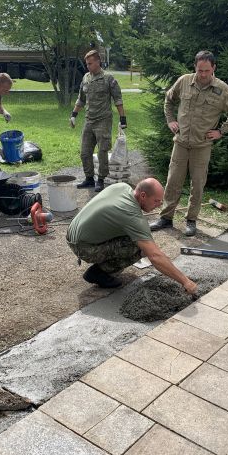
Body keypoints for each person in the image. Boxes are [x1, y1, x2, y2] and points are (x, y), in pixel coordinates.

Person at [150, 50, 228, 237]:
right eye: (200, 70)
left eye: (207, 70)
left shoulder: (223, 90)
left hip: (202, 146)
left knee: (198, 184)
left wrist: (221, 131)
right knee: (173, 181)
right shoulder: (184, 81)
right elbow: (169, 100)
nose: (203, 74)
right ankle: (166, 218)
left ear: (214, 68)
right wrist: (170, 120)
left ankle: (191, 220)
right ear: (195, 67)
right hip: (181, 143)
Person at [66, 178, 198, 295]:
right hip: (84, 248)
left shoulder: (122, 187)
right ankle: (99, 273)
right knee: (139, 248)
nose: (158, 205)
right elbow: (155, 256)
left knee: (137, 237)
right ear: (143, 195)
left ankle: (100, 263)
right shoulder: (132, 217)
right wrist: (185, 281)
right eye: (156, 201)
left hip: (72, 233)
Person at [69, 50, 126, 193]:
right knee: (85, 152)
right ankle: (89, 178)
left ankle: (101, 179)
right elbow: (81, 99)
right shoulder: (86, 78)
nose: (87, 66)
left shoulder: (108, 78)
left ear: (98, 62)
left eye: (90, 63)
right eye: (86, 64)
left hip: (103, 120)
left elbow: (118, 99)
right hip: (89, 120)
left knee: (102, 151)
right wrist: (74, 115)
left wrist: (122, 118)